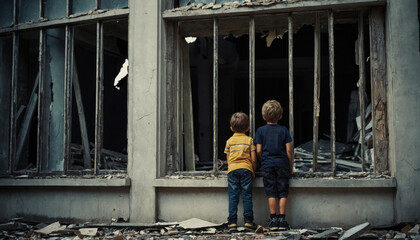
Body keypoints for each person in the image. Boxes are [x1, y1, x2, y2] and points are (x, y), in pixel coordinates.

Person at [254, 100, 294, 231]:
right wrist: (291, 166)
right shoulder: (284, 130)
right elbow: (289, 150)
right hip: (282, 164)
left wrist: (262, 160)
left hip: (267, 165)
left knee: (271, 192)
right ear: (281, 116)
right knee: (282, 192)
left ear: (263, 117)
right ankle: (282, 220)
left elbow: (258, 150)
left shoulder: (260, 131)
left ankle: (273, 219)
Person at [224, 112, 257, 232]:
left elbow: (228, 159)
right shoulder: (249, 140)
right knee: (247, 195)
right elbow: (253, 158)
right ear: (248, 128)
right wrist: (253, 169)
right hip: (246, 170)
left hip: (232, 170)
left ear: (231, 128)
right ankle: (248, 221)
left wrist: (231, 167)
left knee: (233, 196)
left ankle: (232, 223)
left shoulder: (229, 141)